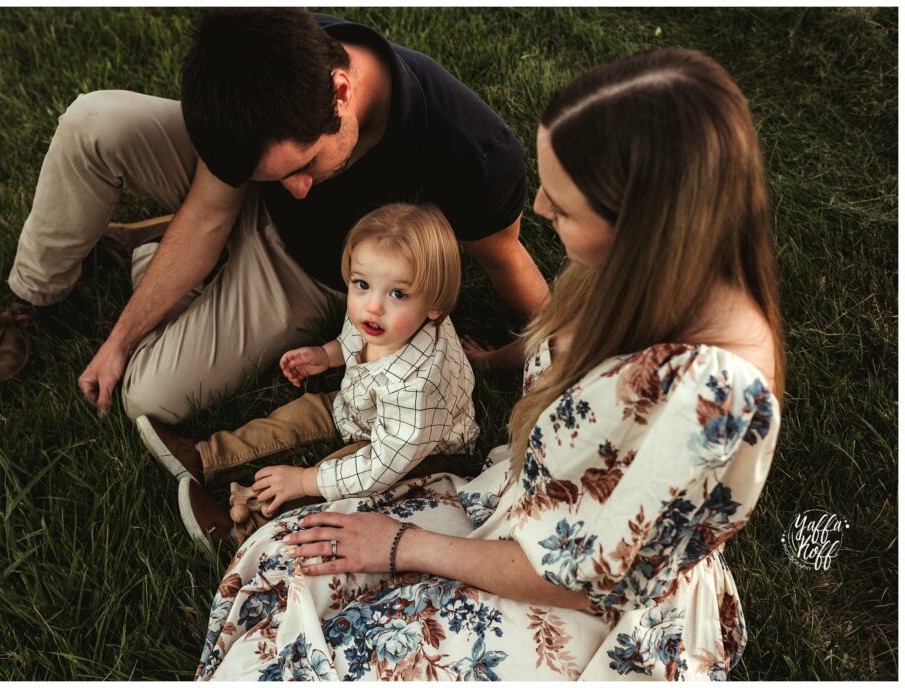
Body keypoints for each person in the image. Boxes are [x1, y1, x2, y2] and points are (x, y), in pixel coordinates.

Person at [192, 46, 785, 681]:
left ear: (641, 223)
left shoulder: (712, 399)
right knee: (286, 560)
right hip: (515, 507)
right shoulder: (621, 269)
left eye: (564, 204)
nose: (543, 212)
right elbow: (564, 344)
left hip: (588, 600)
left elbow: (587, 583)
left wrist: (401, 547)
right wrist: (505, 358)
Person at [0, 8, 549, 421]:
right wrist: (119, 340)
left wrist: (563, 342)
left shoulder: (471, 151)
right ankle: (32, 298)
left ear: (341, 92)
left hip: (308, 267)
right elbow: (208, 213)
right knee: (91, 123)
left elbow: (507, 262)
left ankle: (158, 252)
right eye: (280, 174)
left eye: (306, 166)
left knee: (148, 396)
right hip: (235, 196)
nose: (299, 190)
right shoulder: (273, 55)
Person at [136, 203, 479, 551]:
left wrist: (304, 480)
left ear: (435, 305)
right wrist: (327, 354)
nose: (372, 306)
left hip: (410, 453)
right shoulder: (383, 321)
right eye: (361, 284)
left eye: (398, 294)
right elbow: (354, 337)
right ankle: (207, 457)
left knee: (335, 474)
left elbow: (378, 467)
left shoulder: (418, 388)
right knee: (302, 413)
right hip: (365, 406)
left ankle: (241, 531)